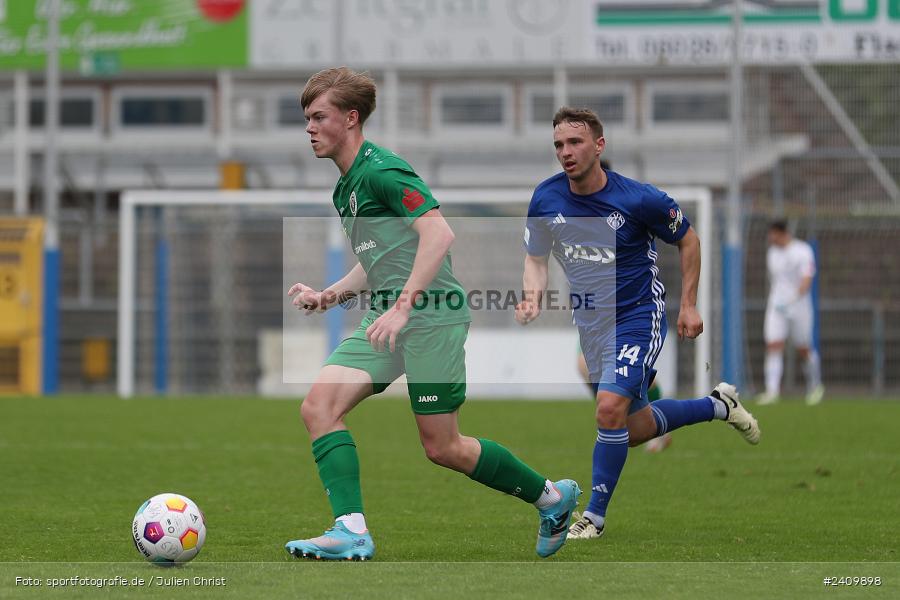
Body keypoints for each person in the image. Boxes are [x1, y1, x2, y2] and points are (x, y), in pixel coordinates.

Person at [285, 67, 580, 561]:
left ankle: (551, 499)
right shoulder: (345, 186)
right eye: (307, 119)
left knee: (443, 447)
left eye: (319, 117)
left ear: (351, 118)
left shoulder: (382, 170)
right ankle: (350, 530)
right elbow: (379, 256)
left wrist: (403, 308)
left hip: (431, 319)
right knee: (318, 408)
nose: (309, 128)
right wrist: (328, 296)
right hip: (386, 320)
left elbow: (439, 234)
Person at [516, 106, 760, 541]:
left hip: (637, 315)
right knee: (631, 429)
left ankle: (593, 518)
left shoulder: (639, 199)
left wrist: (689, 305)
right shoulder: (545, 198)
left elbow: (689, 239)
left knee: (608, 408)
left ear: (599, 145)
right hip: (591, 325)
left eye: (575, 142)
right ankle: (718, 405)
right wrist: (532, 295)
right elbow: (535, 259)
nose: (566, 152)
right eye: (558, 144)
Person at [757, 221, 824, 406]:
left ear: (782, 233)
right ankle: (772, 391)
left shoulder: (803, 251)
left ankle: (815, 386)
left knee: (803, 348)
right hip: (777, 307)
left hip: (799, 306)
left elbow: (807, 278)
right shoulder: (772, 253)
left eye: (773, 234)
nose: (770, 238)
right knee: (773, 344)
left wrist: (793, 299)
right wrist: (779, 302)